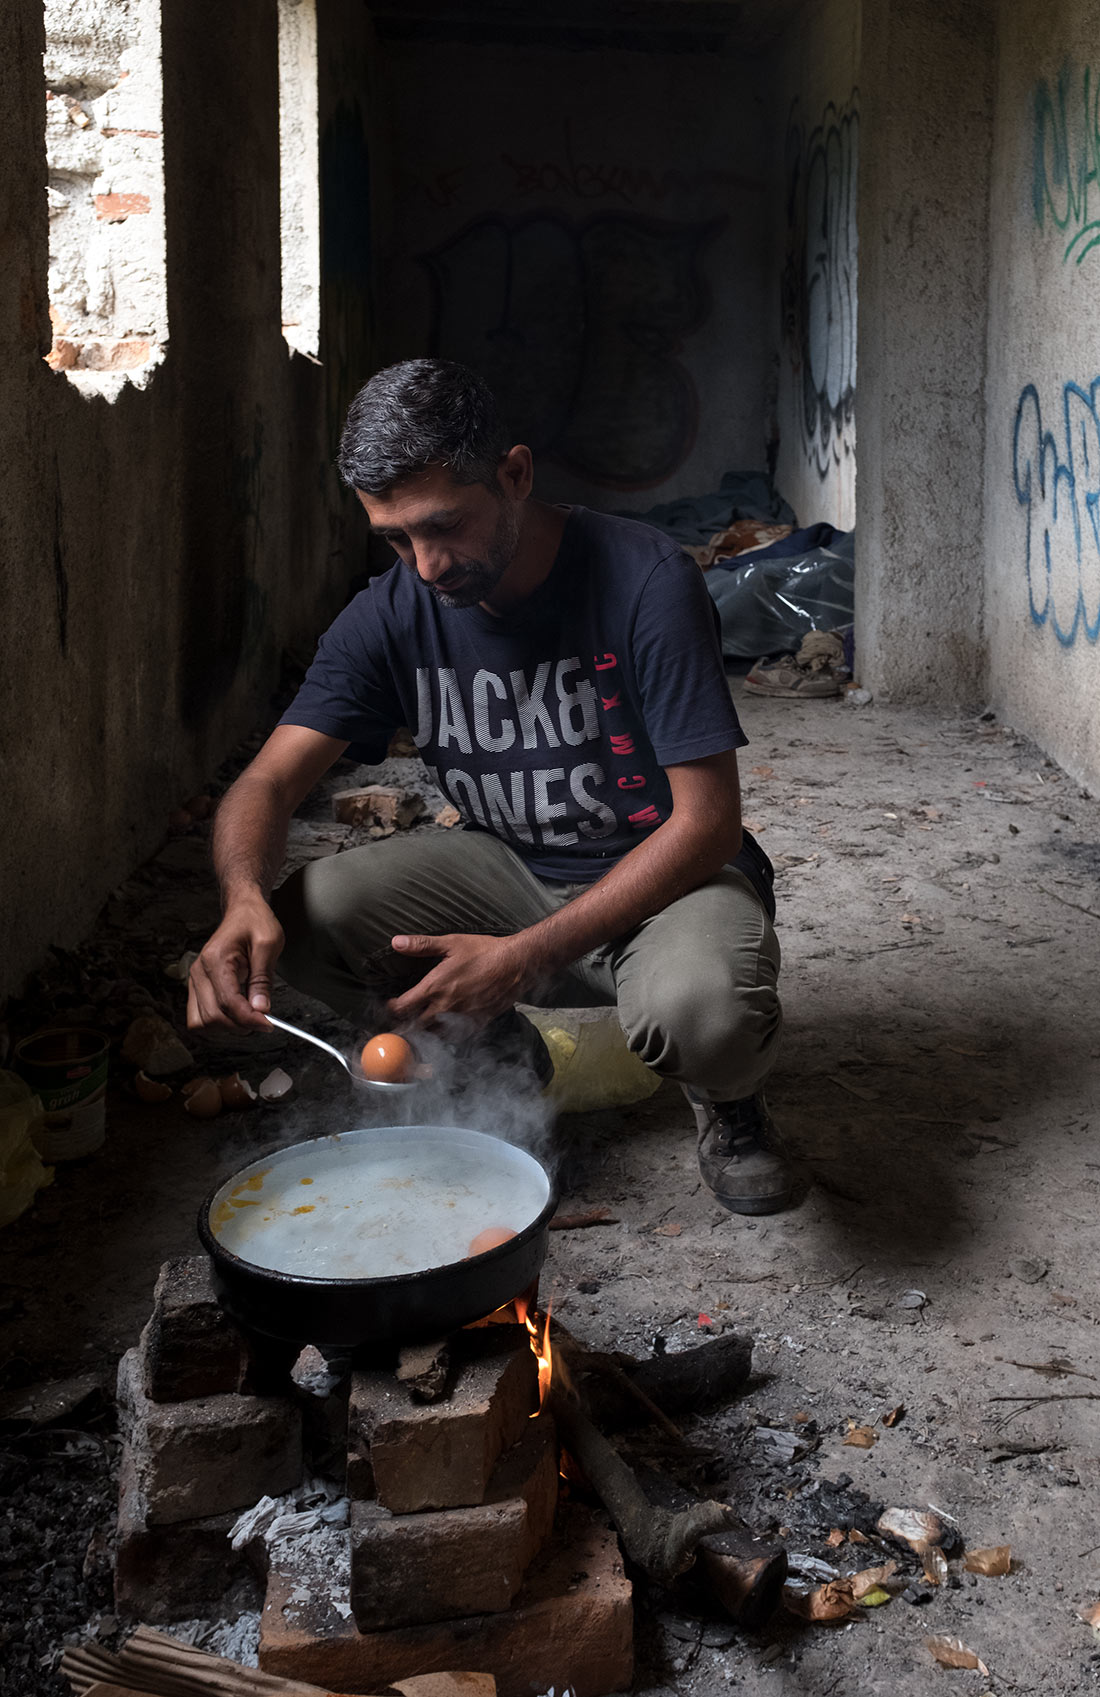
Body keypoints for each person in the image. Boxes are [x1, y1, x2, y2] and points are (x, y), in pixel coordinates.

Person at [187, 359, 787, 1214]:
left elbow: (708, 825)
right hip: (511, 871)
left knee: (702, 1012)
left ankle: (730, 1105)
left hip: (666, 878)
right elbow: (268, 781)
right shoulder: (392, 610)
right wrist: (239, 895)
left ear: (514, 474)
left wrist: (524, 959)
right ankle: (503, 1057)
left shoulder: (646, 578)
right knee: (305, 916)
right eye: (395, 538)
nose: (427, 565)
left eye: (444, 527)